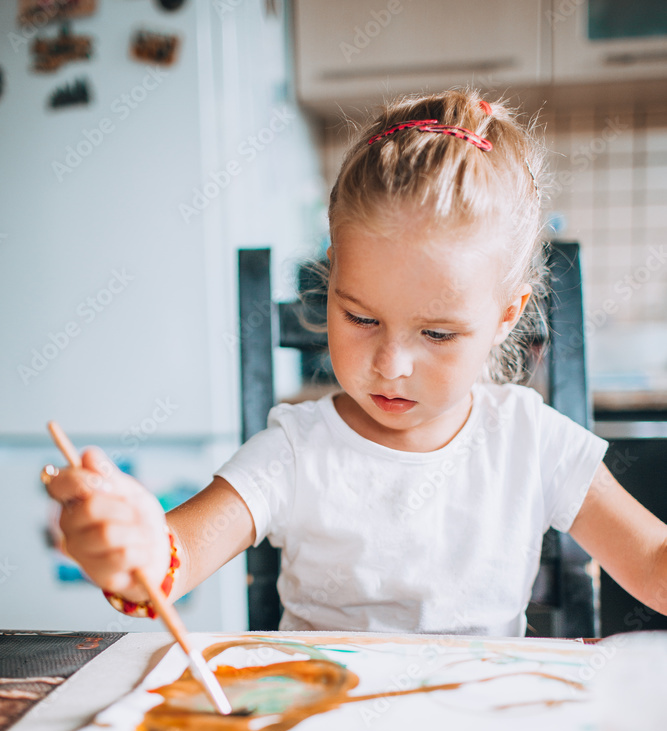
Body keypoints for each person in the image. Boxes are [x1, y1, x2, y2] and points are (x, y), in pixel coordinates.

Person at [44, 90, 667, 636]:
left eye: (437, 333)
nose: (391, 364)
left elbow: (653, 565)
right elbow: (170, 559)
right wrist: (133, 545)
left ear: (507, 316)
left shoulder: (534, 443)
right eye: (361, 319)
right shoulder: (296, 449)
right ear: (331, 281)